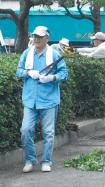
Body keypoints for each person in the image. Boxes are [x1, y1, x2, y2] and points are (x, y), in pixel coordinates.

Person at [16, 26, 68, 173]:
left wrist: (52, 77)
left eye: (39, 36)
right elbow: (18, 71)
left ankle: (46, 161)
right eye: (34, 36)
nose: (36, 39)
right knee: (25, 130)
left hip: (49, 100)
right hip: (30, 100)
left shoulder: (55, 54)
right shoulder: (27, 53)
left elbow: (64, 73)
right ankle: (30, 160)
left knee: (48, 133)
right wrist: (28, 72)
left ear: (47, 38)